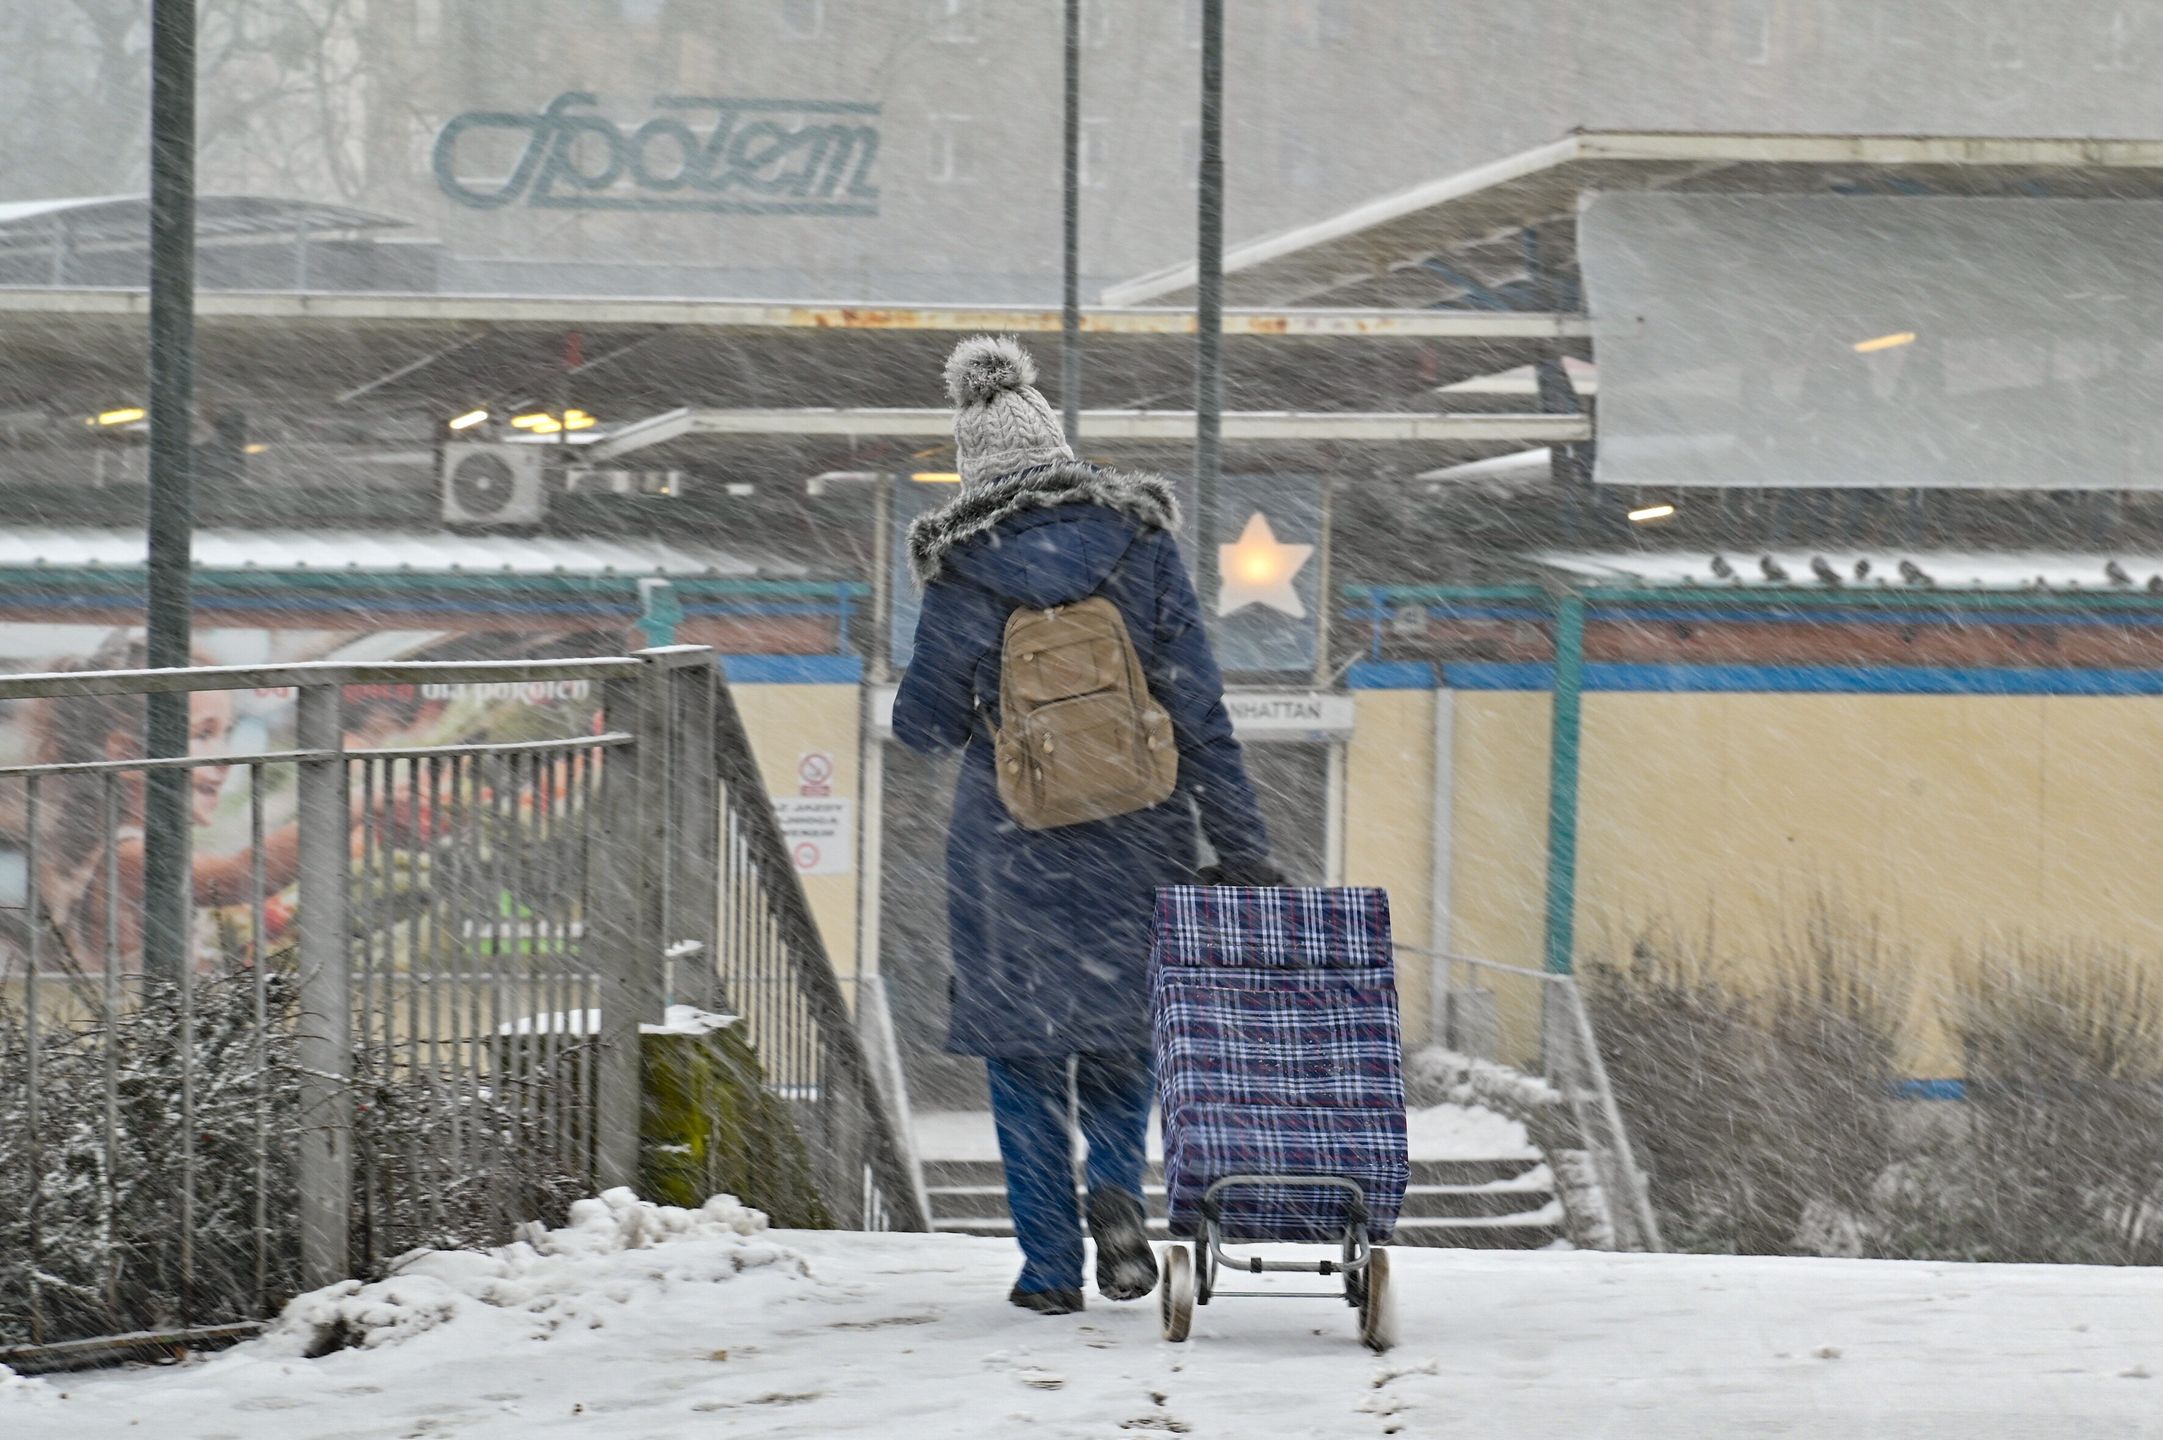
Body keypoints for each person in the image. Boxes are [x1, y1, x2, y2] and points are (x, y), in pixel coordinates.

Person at [893, 336, 1284, 1316]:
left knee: (1025, 1062)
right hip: (1137, 836)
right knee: (1119, 1042)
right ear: (1059, 447)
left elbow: (924, 726)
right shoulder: (1140, 544)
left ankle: (1048, 1269)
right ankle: (1117, 1191)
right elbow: (1199, 708)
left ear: (971, 466)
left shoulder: (962, 566)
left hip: (1006, 851)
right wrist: (1243, 847)